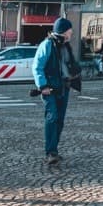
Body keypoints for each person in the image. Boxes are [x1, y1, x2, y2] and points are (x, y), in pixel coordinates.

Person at [32, 18, 79, 165]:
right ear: (64, 31)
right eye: (70, 30)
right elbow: (37, 66)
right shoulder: (47, 44)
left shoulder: (66, 46)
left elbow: (68, 65)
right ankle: (50, 152)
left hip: (63, 88)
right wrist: (43, 86)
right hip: (50, 89)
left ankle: (54, 150)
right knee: (52, 119)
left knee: (60, 121)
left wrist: (74, 78)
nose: (71, 33)